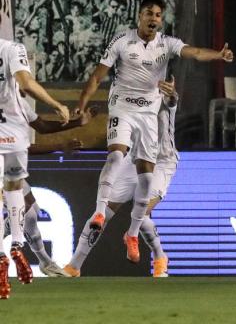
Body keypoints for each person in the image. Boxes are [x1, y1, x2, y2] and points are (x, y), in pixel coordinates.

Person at [75, 0, 233, 265]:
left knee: (146, 184)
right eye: (149, 12)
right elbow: (97, 75)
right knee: (114, 156)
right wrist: (82, 104)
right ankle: (89, 235)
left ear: (161, 21)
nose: (153, 18)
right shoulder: (122, 42)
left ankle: (139, 240)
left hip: (153, 132)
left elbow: (193, 52)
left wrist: (218, 55)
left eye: (158, 15)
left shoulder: (166, 49)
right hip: (123, 109)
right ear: (140, 16)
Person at [64, 77, 178, 278]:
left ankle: (159, 257)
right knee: (102, 215)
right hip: (134, 159)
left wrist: (172, 96)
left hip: (161, 163)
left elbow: (171, 101)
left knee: (140, 213)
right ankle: (74, 266)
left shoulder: (160, 96)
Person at [0, 39, 69, 299]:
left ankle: (2, 257)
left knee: (10, 199)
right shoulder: (11, 49)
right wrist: (57, 104)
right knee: (15, 190)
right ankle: (17, 243)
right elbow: (26, 82)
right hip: (15, 135)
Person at [3, 97, 97, 278]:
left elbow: (43, 127)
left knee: (31, 213)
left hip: (10, 166)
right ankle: (44, 261)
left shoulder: (18, 102)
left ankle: (44, 261)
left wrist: (78, 123)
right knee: (26, 212)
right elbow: (23, 147)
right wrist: (60, 145)